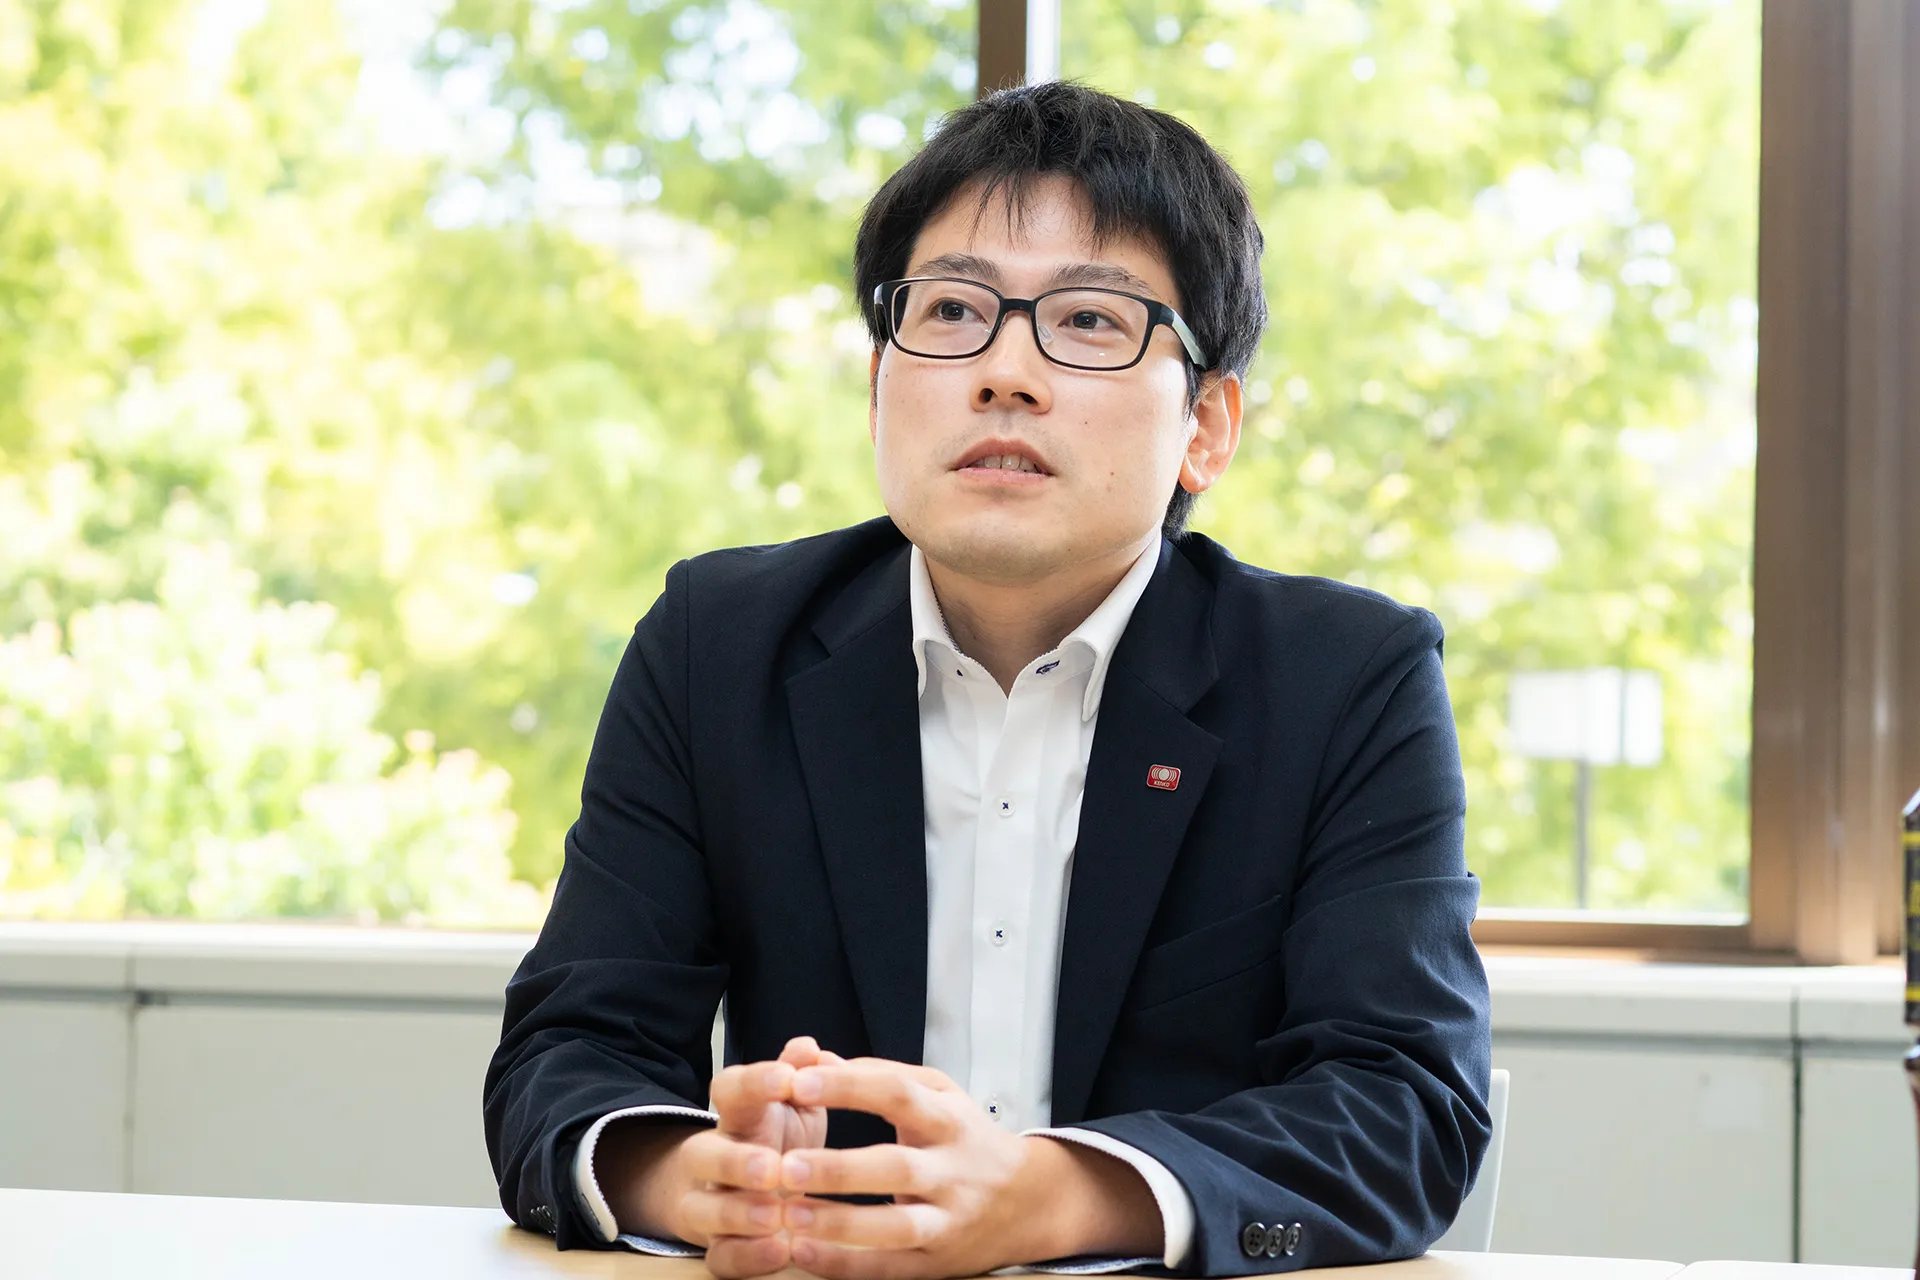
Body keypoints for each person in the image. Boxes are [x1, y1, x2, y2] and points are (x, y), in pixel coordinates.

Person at [483, 81, 1492, 1279]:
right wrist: (693, 1176)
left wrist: (1054, 1196)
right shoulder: (718, 644)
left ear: (1208, 427)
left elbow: (1406, 1107)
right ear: (878, 386)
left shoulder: (1347, 679)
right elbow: (565, 1050)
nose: (1005, 372)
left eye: (1090, 320)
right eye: (954, 309)